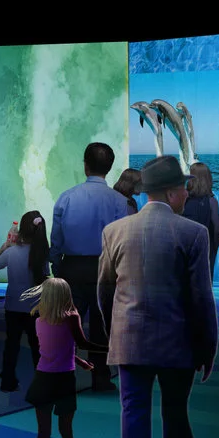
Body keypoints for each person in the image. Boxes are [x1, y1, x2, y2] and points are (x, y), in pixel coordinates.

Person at [96, 155, 218, 438]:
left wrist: (114, 330)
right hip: (177, 343)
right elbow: (201, 298)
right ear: (171, 192)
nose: (188, 192)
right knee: (176, 412)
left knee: (133, 412)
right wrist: (207, 346)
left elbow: (105, 290)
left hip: (129, 339)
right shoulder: (193, 234)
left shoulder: (114, 231)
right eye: (184, 187)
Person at [50, 142, 132, 393]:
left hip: (72, 267)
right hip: (106, 269)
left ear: (85, 165)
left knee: (66, 326)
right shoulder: (120, 202)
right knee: (102, 327)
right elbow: (123, 242)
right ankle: (101, 378)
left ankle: (62, 378)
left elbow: (56, 239)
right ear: (110, 167)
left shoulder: (66, 197)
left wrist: (57, 264)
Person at [27, 276, 88, 438]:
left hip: (43, 379)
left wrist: (79, 361)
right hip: (64, 380)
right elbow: (83, 343)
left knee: (43, 433)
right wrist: (112, 348)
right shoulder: (71, 318)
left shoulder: (39, 321)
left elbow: (53, 349)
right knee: (66, 430)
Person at [0, 210, 51, 393]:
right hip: (36, 307)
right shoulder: (42, 253)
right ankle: (42, 384)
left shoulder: (12, 252)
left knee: (12, 345)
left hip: (13, 306)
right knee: (38, 347)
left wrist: (5, 246)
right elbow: (45, 276)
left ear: (21, 230)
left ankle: (7, 382)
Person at [185, 162, 219, 271]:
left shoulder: (183, 200)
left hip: (185, 251)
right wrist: (214, 249)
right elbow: (217, 231)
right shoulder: (212, 202)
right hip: (205, 251)